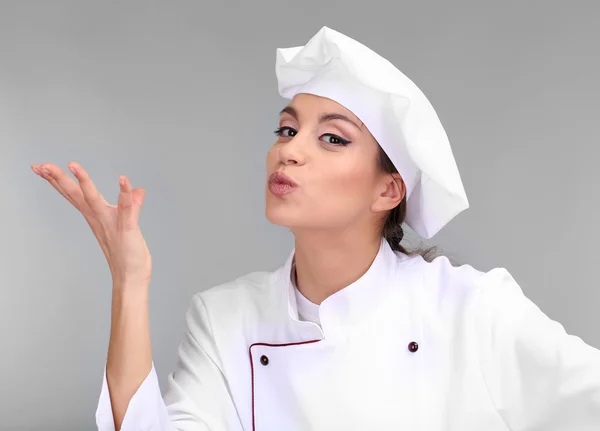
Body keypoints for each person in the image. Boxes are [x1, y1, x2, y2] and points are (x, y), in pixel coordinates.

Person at [31, 26, 600, 431]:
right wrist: (129, 284)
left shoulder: (471, 308)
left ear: (389, 189)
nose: (290, 152)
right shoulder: (226, 318)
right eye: (286, 129)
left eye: (332, 137)